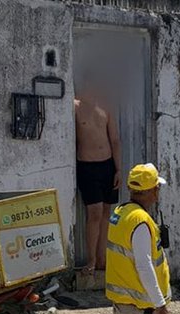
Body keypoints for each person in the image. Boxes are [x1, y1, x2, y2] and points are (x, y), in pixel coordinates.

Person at [105, 163, 171, 314]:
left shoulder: (121, 212)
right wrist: (160, 306)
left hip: (126, 304)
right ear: (151, 190)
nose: (158, 192)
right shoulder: (140, 222)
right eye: (157, 188)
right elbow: (144, 266)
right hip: (138, 309)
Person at [75, 88, 122, 273]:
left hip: (107, 166)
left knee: (105, 214)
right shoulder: (75, 106)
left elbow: (115, 139)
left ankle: (103, 259)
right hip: (87, 166)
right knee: (93, 213)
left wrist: (118, 169)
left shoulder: (106, 105)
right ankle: (91, 260)